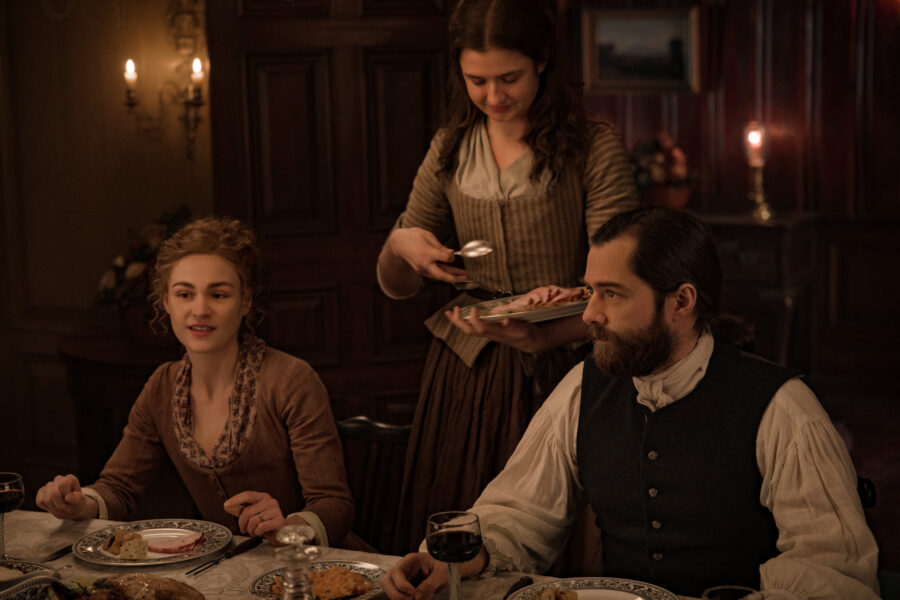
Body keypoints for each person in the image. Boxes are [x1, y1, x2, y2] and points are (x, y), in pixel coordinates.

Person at [381, 207, 880, 600]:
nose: (591, 314)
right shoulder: (583, 387)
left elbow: (830, 573)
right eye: (590, 290)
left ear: (681, 302)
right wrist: (460, 561)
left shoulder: (782, 408)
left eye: (613, 294)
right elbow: (520, 512)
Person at [377, 0, 638, 553]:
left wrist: (554, 321)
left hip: (572, 356)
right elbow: (398, 284)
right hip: (469, 369)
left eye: (509, 78)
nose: (493, 96)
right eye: (477, 80)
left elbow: (621, 289)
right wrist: (401, 244)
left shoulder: (594, 148)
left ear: (543, 61)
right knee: (464, 523)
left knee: (562, 529)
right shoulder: (450, 148)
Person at [36, 217, 354, 547]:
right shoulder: (162, 386)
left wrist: (289, 527)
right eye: (185, 294)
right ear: (166, 302)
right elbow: (118, 488)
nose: (200, 309)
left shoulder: (291, 380)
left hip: (314, 572)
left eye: (218, 295)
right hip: (225, 576)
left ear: (245, 302)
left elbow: (334, 504)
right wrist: (76, 502)